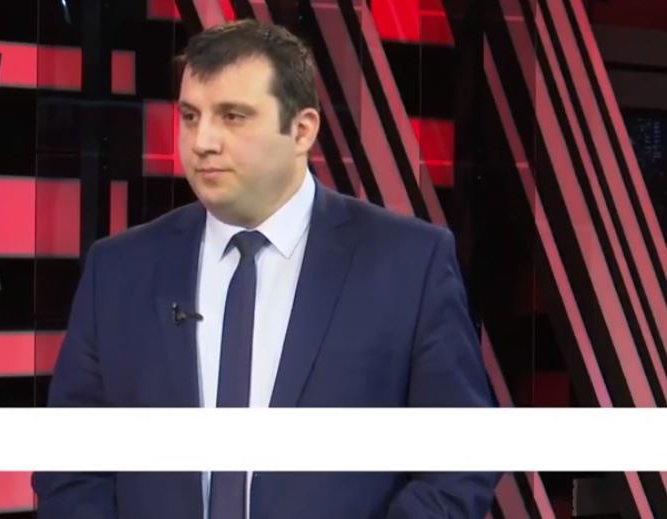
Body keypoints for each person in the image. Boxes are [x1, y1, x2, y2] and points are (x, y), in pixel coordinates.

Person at [34, 19, 499, 519]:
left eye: (232, 116)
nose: (202, 141)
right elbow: (70, 464)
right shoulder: (119, 269)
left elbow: (462, 459)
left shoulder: (408, 263)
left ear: (302, 130)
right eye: (190, 116)